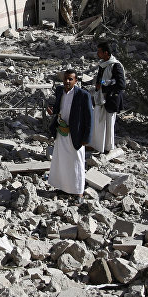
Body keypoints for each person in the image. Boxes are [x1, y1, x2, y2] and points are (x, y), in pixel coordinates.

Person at [47, 69, 92, 202]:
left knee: (76, 161)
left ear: (75, 81)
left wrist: (86, 138)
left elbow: (89, 118)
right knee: (62, 160)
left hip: (76, 133)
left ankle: (79, 192)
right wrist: (52, 111)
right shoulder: (60, 91)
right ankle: (63, 186)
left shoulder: (83, 95)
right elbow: (58, 107)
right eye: (65, 78)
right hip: (62, 131)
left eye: (70, 79)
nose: (67, 81)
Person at [92, 41, 127, 153]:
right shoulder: (103, 65)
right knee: (99, 122)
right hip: (101, 98)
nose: (98, 54)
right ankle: (98, 146)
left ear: (106, 53)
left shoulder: (115, 65)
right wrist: (99, 86)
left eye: (99, 51)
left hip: (110, 99)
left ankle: (108, 147)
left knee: (109, 124)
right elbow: (101, 80)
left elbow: (121, 84)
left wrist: (105, 88)